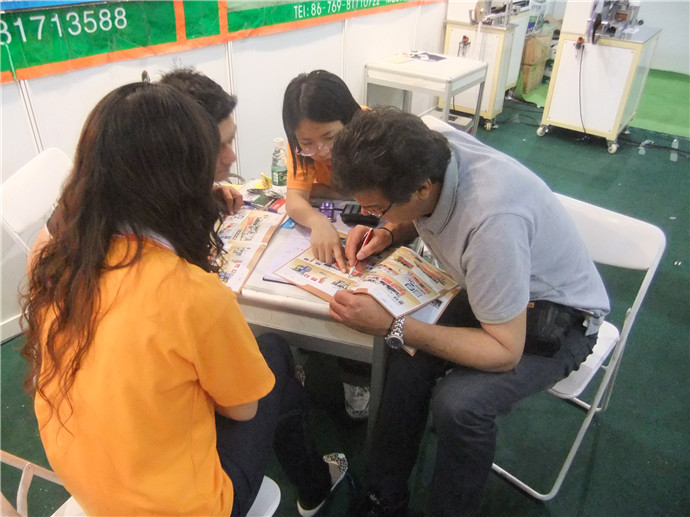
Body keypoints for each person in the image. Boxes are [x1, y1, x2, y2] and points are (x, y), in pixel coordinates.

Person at [22, 82, 347, 516]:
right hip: (185, 506)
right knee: (273, 355)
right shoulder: (191, 293)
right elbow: (243, 410)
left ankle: (313, 481)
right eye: (214, 152)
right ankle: (314, 484)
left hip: (88, 488)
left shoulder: (60, 262)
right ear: (182, 178)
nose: (229, 159)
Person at [328, 107, 610, 516]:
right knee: (406, 358)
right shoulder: (426, 142)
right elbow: (417, 211)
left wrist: (393, 325)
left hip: (557, 317)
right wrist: (388, 228)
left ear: (421, 188)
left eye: (376, 208)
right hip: (492, 285)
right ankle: (383, 497)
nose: (370, 215)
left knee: (460, 405)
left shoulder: (492, 223)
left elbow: (504, 351)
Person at [26, 67, 244, 275]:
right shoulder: (107, 197)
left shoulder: (158, 185)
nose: (231, 157)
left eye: (231, 139)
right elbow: (39, 263)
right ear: (172, 150)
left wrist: (204, 193)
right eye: (217, 147)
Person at [282, 69, 371, 420]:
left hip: (373, 221)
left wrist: (326, 190)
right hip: (337, 219)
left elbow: (377, 193)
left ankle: (358, 376)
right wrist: (318, 220)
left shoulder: (372, 132)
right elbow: (295, 200)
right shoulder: (302, 150)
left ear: (350, 120)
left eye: (330, 137)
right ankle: (306, 357)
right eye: (307, 142)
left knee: (361, 298)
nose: (320, 151)